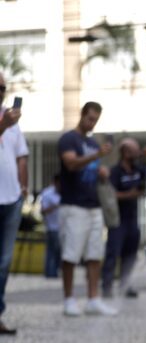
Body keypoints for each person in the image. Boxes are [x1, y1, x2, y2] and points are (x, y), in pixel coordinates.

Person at [58, 101, 117, 316]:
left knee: (94, 254)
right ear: (82, 115)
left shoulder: (92, 143)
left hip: (94, 205)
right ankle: (69, 299)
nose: (92, 123)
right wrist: (96, 156)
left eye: (96, 120)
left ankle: (93, 299)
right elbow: (71, 164)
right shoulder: (68, 139)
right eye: (90, 118)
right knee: (71, 255)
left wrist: (101, 170)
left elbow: (91, 166)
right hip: (74, 205)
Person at [0, 73, 29, 334]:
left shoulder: (11, 118)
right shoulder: (6, 120)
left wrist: (23, 186)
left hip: (11, 199)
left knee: (4, 262)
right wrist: (2, 125)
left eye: (3, 88)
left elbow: (22, 155)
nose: (1, 91)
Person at [101, 138, 146, 298]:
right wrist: (131, 194)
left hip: (132, 219)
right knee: (113, 253)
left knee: (131, 254)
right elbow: (110, 195)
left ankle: (125, 284)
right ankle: (106, 287)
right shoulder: (115, 172)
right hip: (117, 220)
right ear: (126, 153)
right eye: (135, 150)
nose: (138, 153)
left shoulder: (138, 170)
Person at [40, 174, 62, 279]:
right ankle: (50, 273)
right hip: (52, 226)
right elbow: (42, 211)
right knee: (52, 250)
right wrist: (54, 206)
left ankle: (56, 271)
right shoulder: (48, 193)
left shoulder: (65, 192)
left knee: (59, 250)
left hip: (63, 227)